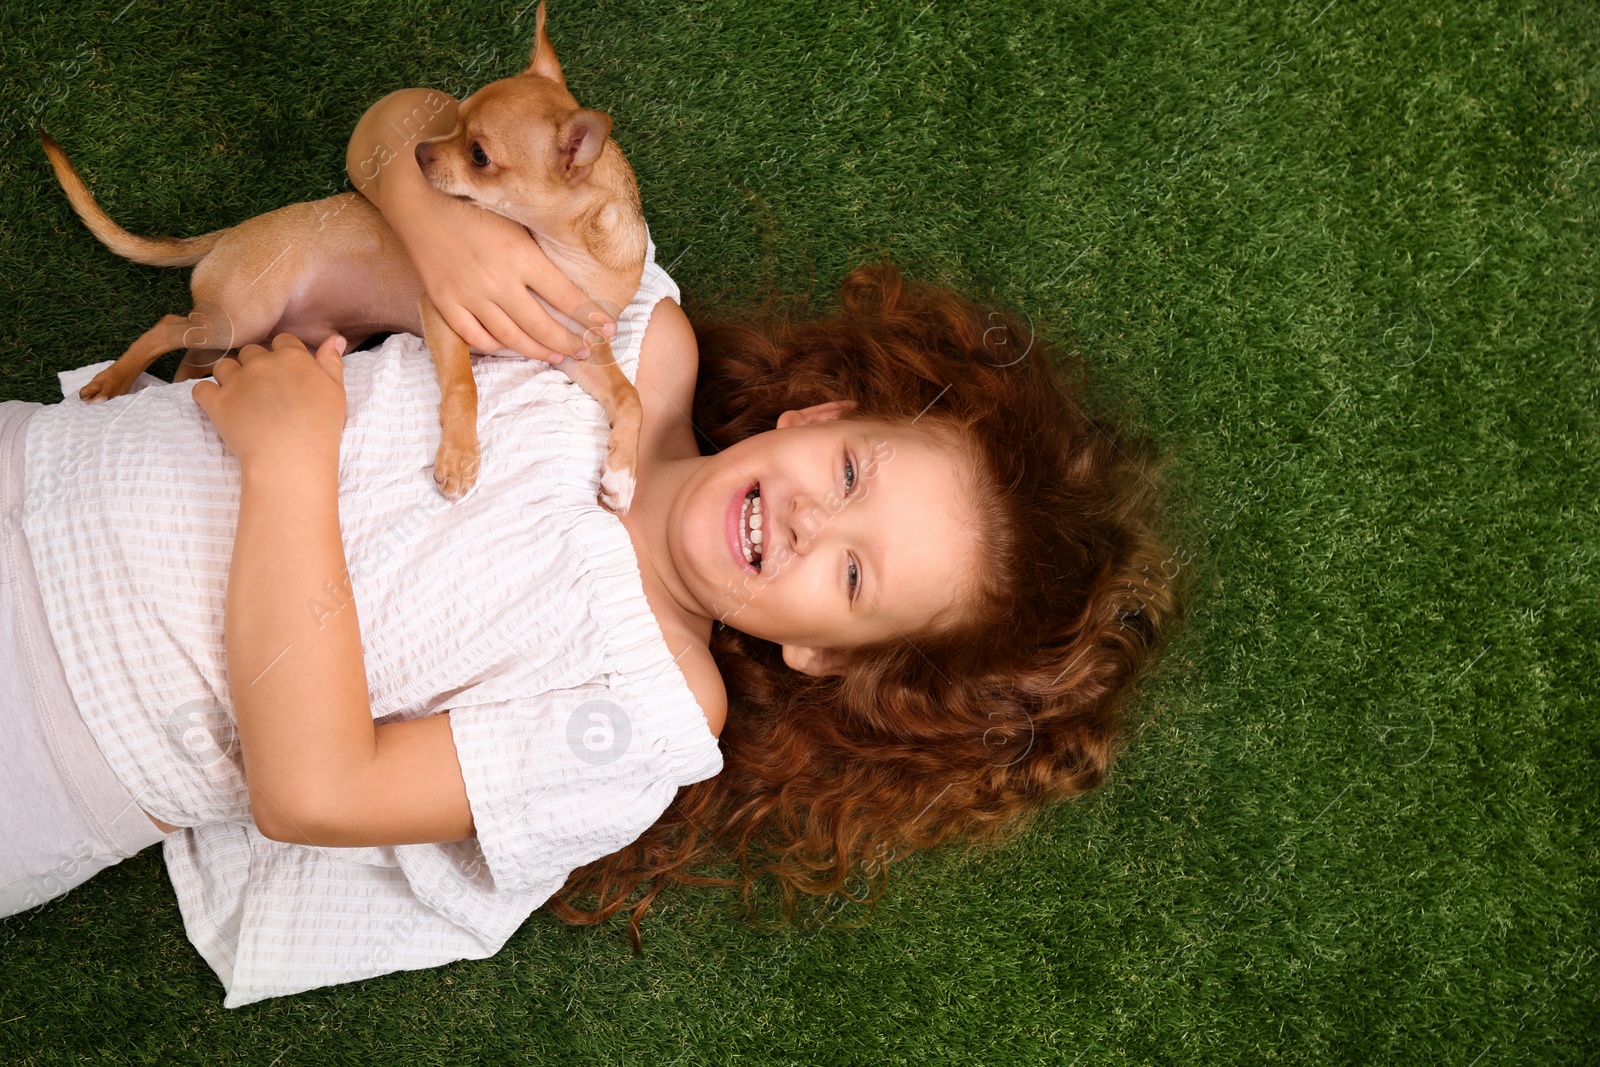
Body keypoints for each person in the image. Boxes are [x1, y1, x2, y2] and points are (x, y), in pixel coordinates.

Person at [0, 89, 1178, 1006]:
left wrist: (293, 463)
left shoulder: (646, 716)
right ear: (817, 417)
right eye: (852, 474)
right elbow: (403, 130)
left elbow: (315, 788)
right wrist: (430, 229)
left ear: (825, 657)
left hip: (54, 739)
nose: (815, 521)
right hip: (33, 470)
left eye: (854, 575)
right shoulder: (625, 321)